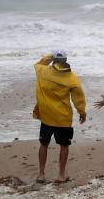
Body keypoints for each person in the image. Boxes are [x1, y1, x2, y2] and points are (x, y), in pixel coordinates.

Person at [33, 50, 86, 184]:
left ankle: (41, 174)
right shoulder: (72, 78)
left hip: (46, 117)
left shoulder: (42, 72)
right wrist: (82, 111)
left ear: (53, 60)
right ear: (66, 60)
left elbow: (39, 63)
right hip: (63, 118)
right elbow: (78, 97)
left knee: (43, 144)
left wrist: (49, 56)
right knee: (64, 146)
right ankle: (61, 175)